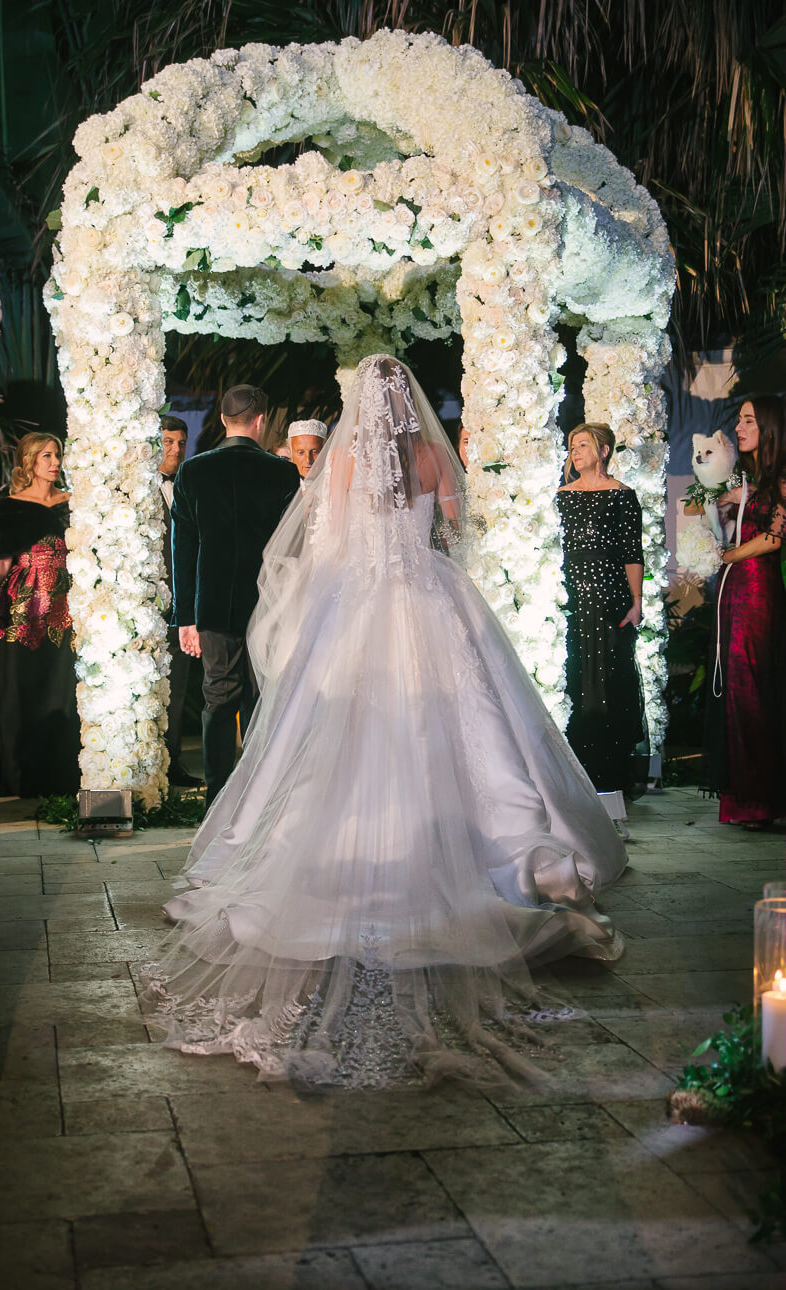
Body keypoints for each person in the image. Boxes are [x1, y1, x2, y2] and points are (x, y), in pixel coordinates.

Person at [141, 356, 627, 1089]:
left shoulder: (342, 469)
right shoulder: (432, 456)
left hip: (361, 605)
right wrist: (424, 542)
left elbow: (328, 547)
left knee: (341, 733)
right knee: (467, 724)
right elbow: (456, 534)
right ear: (412, 406)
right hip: (429, 599)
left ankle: (342, 847)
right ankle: (474, 844)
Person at [170, 385, 300, 805]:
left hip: (212, 607)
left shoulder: (192, 472)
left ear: (223, 420)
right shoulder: (281, 472)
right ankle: (260, 795)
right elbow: (292, 548)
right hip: (269, 605)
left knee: (218, 699)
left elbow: (182, 550)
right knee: (263, 698)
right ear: (260, 421)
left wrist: (185, 618)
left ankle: (217, 797)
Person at [703, 396, 786, 827]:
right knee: (735, 686)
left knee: (753, 687)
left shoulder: (783, 479)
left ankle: (764, 799)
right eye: (738, 420)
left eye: (748, 420)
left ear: (769, 427)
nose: (739, 427)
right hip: (738, 590)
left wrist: (729, 556)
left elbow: (774, 539)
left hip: (758, 591)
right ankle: (744, 798)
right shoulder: (754, 480)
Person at [0, 433, 80, 797]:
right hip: (23, 609)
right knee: (21, 685)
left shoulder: (74, 503)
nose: (54, 462)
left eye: (57, 455)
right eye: (46, 456)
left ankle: (61, 772)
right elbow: (0, 566)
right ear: (29, 461)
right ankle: (20, 773)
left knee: (61, 683)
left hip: (66, 606)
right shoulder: (10, 507)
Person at [557, 423, 648, 799]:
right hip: (570, 599)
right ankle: (576, 773)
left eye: (582, 445)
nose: (575, 452)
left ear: (604, 450)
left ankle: (610, 776)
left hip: (609, 598)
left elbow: (632, 553)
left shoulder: (622, 496)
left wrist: (637, 600)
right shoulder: (561, 496)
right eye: (571, 446)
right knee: (577, 678)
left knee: (609, 682)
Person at [158, 416, 201, 787]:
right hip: (149, 605)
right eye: (168, 442)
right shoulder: (137, 490)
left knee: (178, 686)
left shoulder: (186, 486)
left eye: (181, 443)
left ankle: (172, 762)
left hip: (183, 605)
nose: (175, 450)